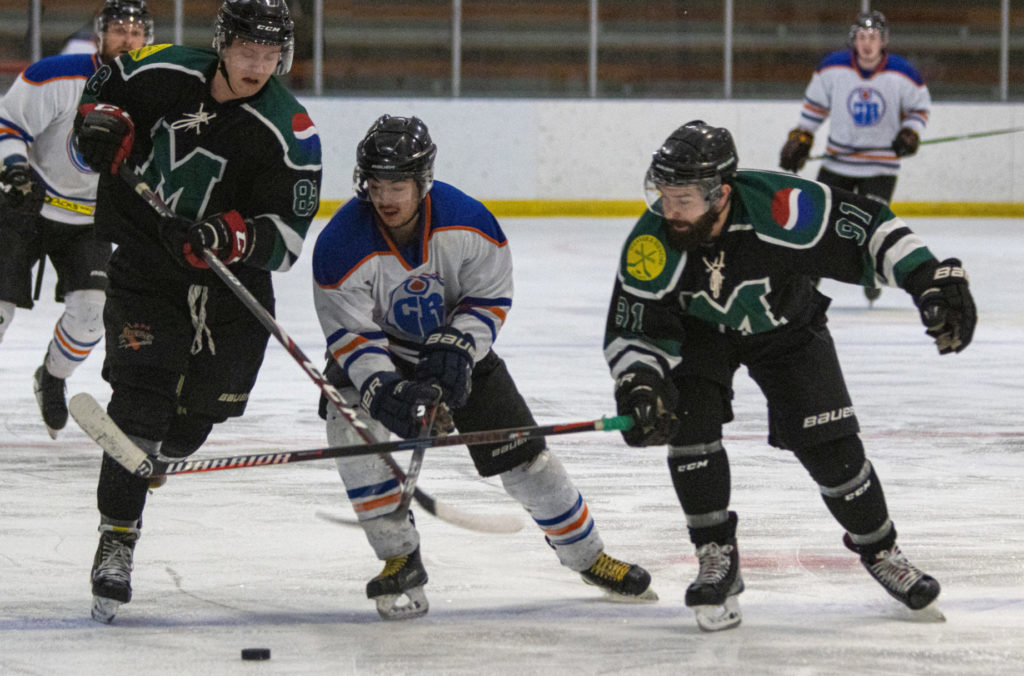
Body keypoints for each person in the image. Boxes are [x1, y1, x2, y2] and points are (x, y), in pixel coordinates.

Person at [606, 120, 975, 631]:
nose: (669, 211)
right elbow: (635, 326)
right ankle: (715, 553)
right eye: (664, 194)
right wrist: (640, 382)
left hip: (787, 329)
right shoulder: (652, 241)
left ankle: (882, 552)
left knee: (834, 452)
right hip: (700, 337)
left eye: (683, 199)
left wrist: (927, 278)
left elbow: (870, 229)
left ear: (722, 193)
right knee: (688, 428)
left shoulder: (783, 205)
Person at [312, 114, 655, 620]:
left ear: (422, 181)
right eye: (377, 184)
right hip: (381, 355)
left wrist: (459, 347)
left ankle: (589, 556)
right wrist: (384, 389)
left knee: (528, 464)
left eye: (398, 185)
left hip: (459, 352)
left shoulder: (467, 222)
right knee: (354, 435)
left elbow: (490, 295)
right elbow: (351, 335)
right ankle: (400, 558)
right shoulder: (340, 245)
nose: (386, 197)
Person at [72, 0, 322, 623]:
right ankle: (116, 541)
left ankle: (156, 452)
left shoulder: (290, 130)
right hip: (146, 269)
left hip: (228, 283)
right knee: (140, 404)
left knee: (199, 417)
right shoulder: (160, 68)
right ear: (223, 44)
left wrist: (228, 238)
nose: (258, 65)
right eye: (247, 51)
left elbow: (287, 237)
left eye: (271, 55)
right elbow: (103, 95)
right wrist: (97, 128)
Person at [0, 0, 152, 439]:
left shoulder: (154, 92)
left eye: (136, 31)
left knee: (91, 314)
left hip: (90, 220)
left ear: (148, 39)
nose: (127, 38)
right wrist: (14, 168)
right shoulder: (58, 74)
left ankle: (52, 377)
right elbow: (9, 124)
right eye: (119, 29)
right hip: (27, 204)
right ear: (100, 34)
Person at [778, 10, 931, 303]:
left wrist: (910, 132)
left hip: (881, 167)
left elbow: (919, 108)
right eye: (862, 37)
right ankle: (808, 286)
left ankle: (872, 274)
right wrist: (802, 137)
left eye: (873, 37)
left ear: (883, 41)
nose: (867, 44)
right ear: (854, 41)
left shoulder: (902, 72)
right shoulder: (832, 67)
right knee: (820, 226)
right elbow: (814, 109)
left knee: (872, 229)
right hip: (838, 163)